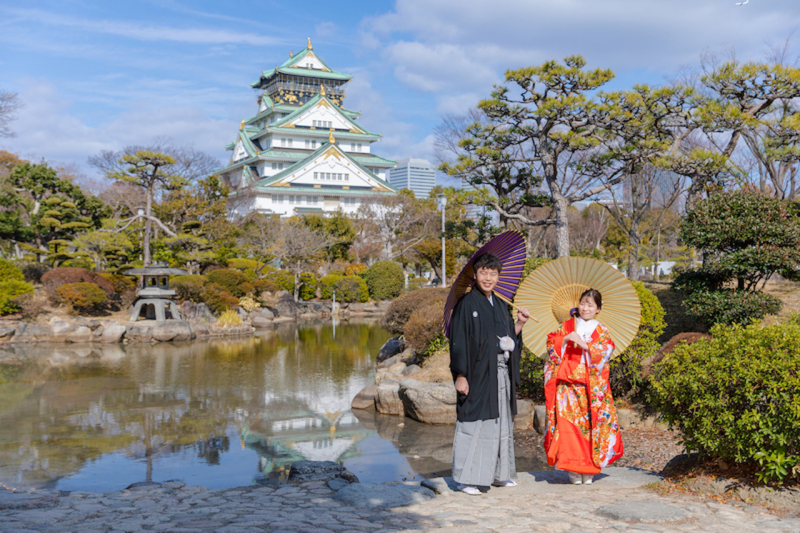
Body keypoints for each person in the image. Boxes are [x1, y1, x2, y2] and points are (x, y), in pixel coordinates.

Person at [449, 252, 531, 495]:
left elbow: (508, 338)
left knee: (500, 423)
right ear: (474, 275)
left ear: (498, 276)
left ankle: (499, 475)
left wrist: (519, 324)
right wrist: (460, 374)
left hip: (500, 373)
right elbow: (459, 341)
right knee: (474, 424)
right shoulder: (466, 304)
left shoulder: (502, 303)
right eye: (483, 272)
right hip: (476, 373)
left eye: (493, 273)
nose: (488, 278)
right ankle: (466, 479)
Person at [544, 289, 624, 485]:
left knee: (590, 428)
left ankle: (588, 469)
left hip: (591, 389)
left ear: (598, 309)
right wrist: (565, 339)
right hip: (567, 388)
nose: (585, 308)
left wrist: (587, 346)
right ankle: (572, 469)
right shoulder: (567, 325)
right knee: (568, 428)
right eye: (583, 304)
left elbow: (607, 350)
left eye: (590, 305)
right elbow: (550, 344)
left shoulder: (601, 330)